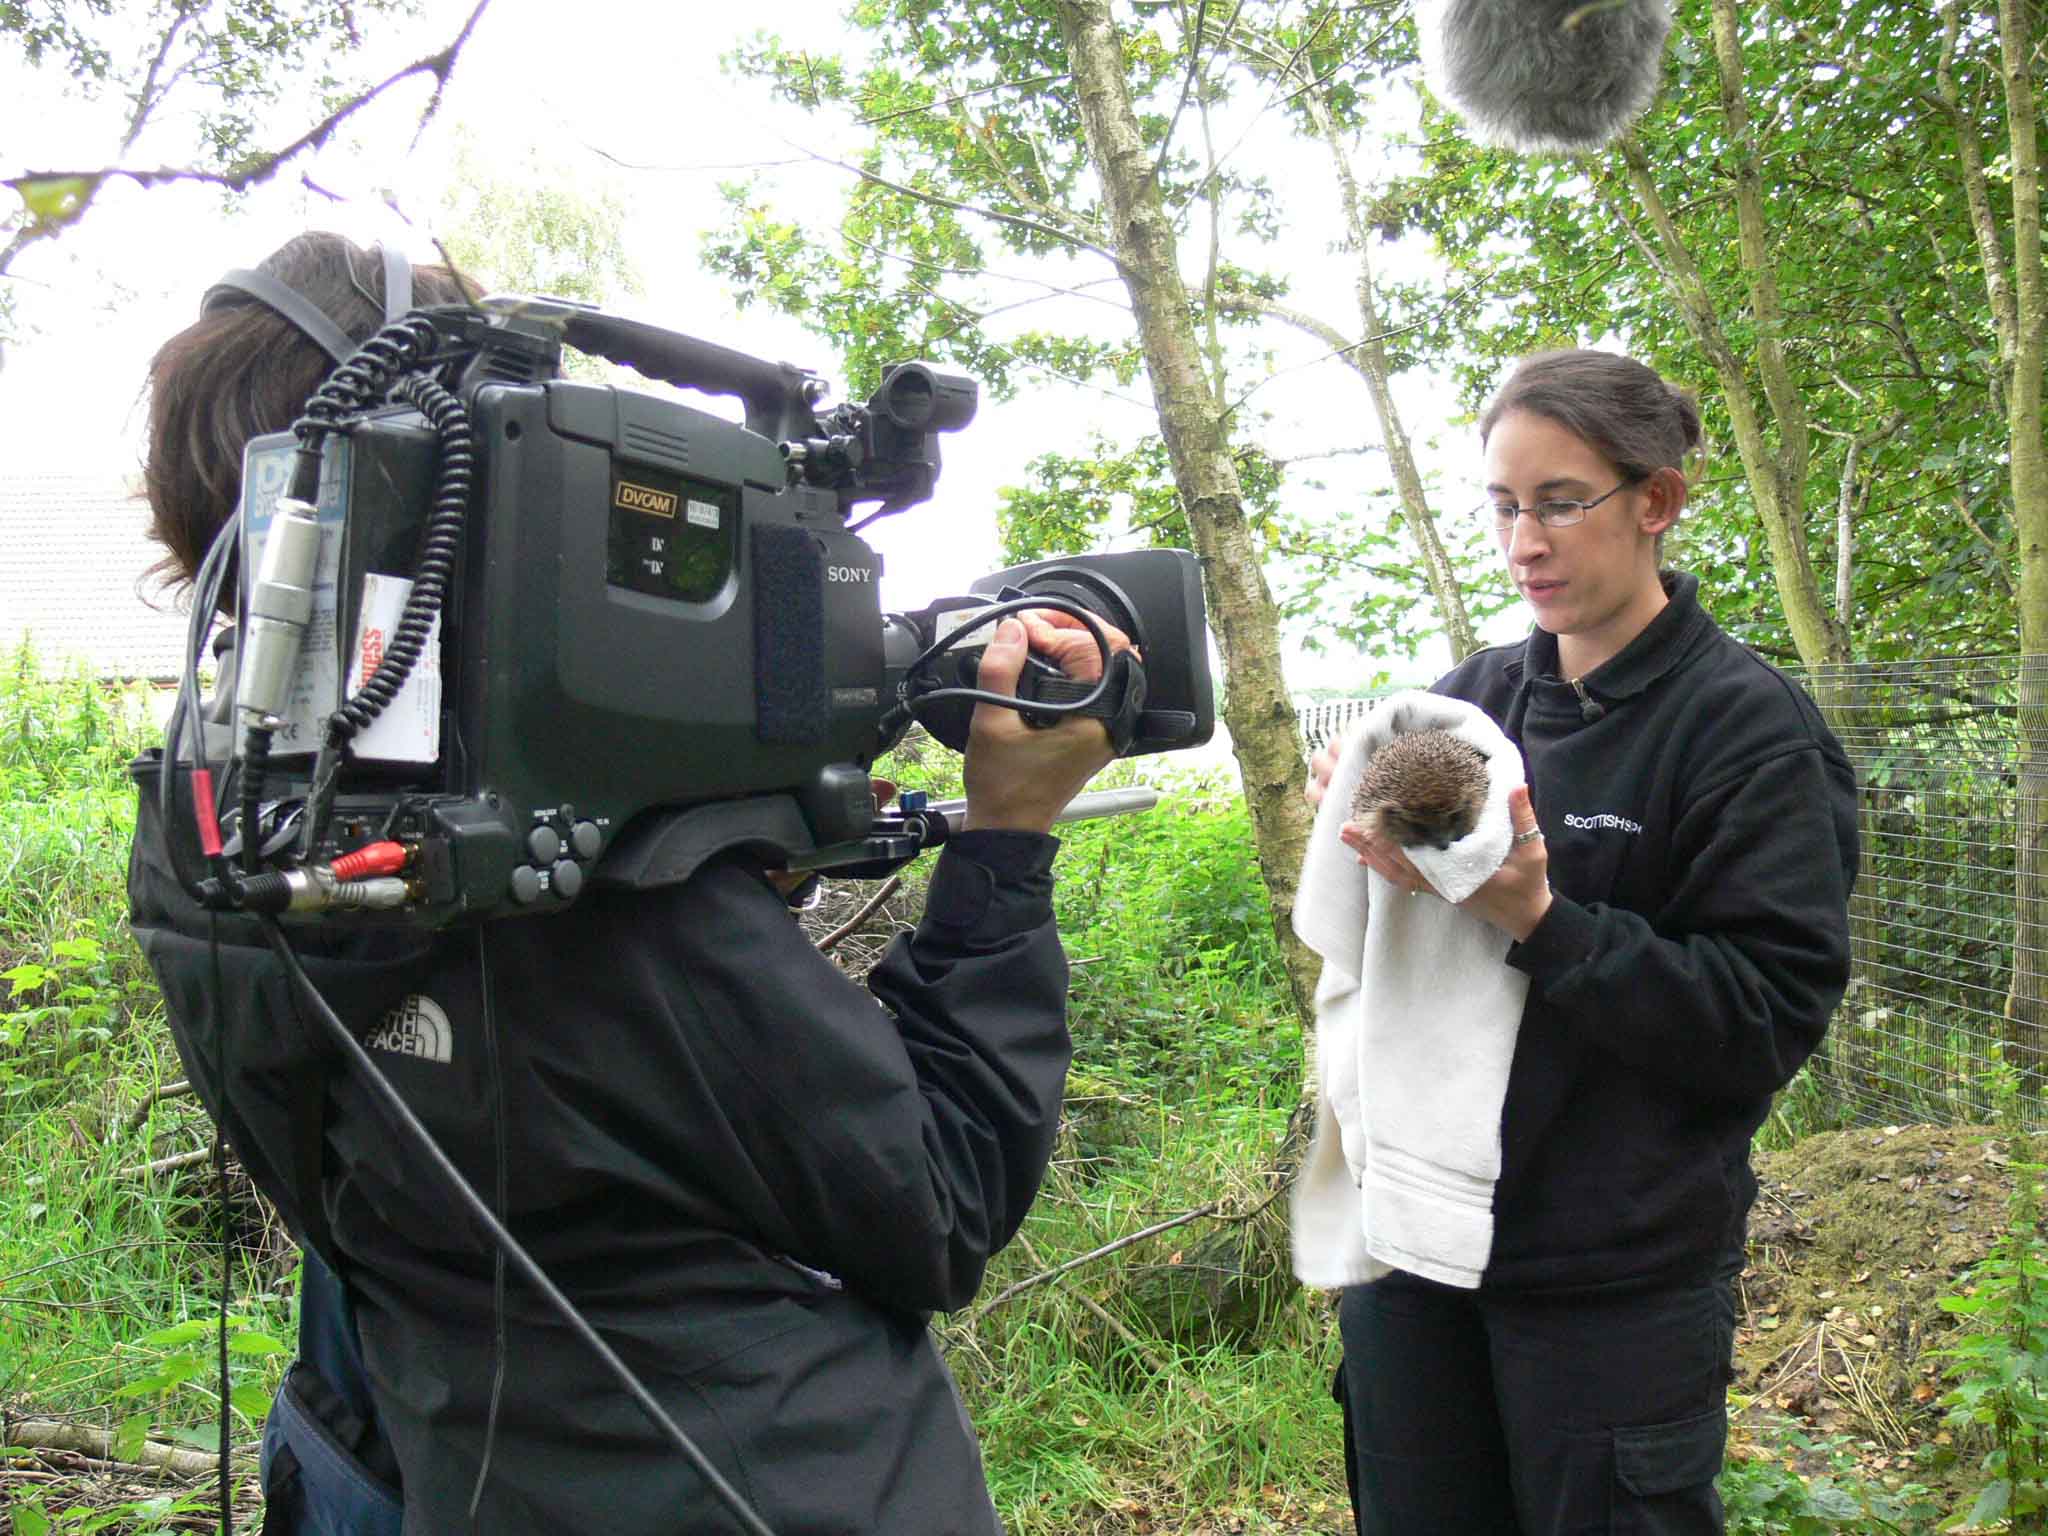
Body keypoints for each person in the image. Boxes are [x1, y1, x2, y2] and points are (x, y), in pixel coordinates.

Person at [126, 231, 1129, 1535]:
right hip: (767, 1490)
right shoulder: (586, 892)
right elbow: (942, 1198)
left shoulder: (201, 833)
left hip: (447, 1465)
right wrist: (1004, 840)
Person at [1304, 349, 1858, 1535]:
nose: (1523, 543)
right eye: (1503, 506)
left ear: (1654, 502)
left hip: (1610, 1284)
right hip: (1416, 1254)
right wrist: (1359, 823)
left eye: (1559, 502)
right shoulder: (1473, 702)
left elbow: (1756, 1021)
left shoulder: (1746, 736)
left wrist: (1537, 919)